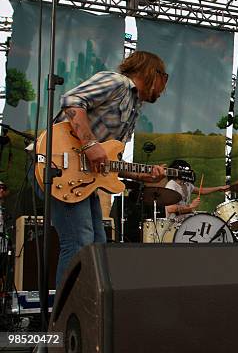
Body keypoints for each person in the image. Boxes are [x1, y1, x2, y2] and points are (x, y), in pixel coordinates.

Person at [46, 51, 170, 288]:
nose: (162, 90)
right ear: (153, 74)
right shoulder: (117, 82)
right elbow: (72, 101)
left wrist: (138, 174)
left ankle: (85, 307)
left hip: (83, 179)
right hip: (57, 166)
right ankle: (62, 315)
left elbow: (108, 161)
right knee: (79, 242)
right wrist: (90, 143)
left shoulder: (134, 107)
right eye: (163, 80)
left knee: (98, 244)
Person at [164, 159, 230, 220]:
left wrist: (219, 188)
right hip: (173, 222)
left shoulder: (187, 184)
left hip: (185, 220)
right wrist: (190, 206)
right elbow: (169, 208)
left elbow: (201, 190)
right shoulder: (171, 185)